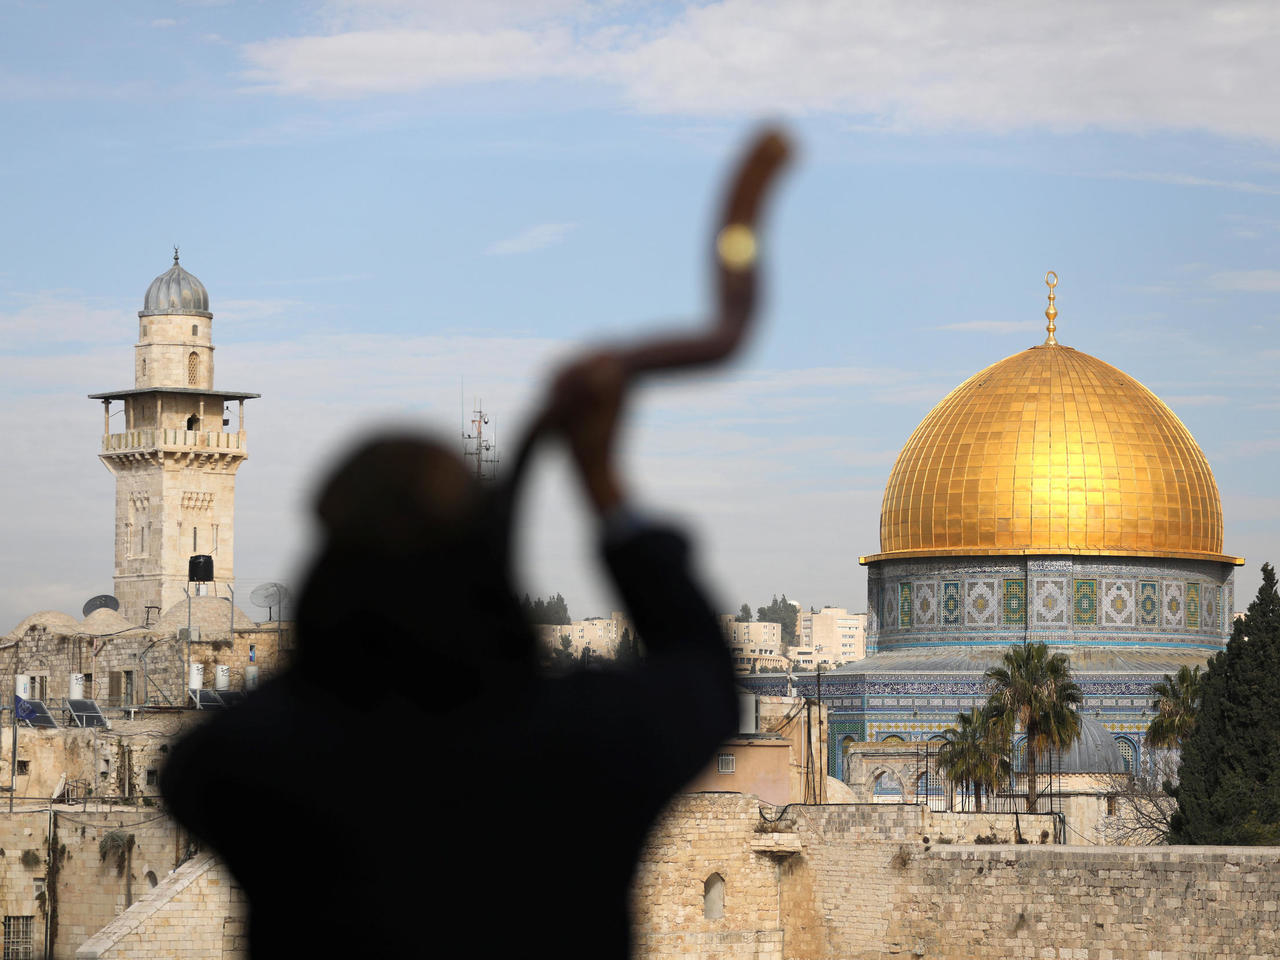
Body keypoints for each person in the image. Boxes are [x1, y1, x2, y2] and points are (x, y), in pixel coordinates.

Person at [161, 351, 738, 958]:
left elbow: (215, 752)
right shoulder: (585, 741)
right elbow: (701, 669)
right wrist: (599, 477)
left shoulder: (248, 763)